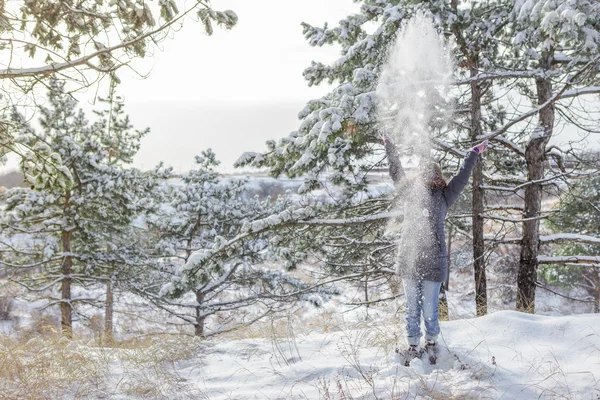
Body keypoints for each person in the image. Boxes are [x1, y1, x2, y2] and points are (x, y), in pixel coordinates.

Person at [382, 134, 488, 365]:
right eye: (425, 172)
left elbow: (462, 176)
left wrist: (473, 154)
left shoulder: (446, 195)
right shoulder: (410, 192)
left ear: (439, 176)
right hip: (409, 259)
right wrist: (390, 146)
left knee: (430, 308)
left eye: (434, 172)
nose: (429, 176)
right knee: (411, 308)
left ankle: (431, 343)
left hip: (434, 260)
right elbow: (396, 171)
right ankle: (413, 345)